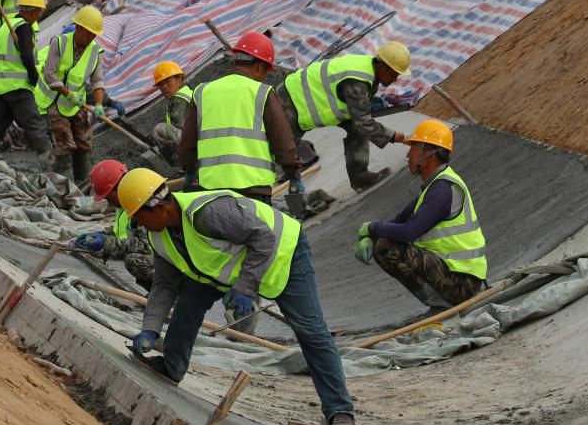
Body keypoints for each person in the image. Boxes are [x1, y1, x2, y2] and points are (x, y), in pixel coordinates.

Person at [118, 167, 356, 425]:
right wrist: (150, 327)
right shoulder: (159, 236)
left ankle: (340, 411)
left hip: (284, 253)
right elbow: (164, 284)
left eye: (139, 218)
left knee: (311, 331)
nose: (141, 226)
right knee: (189, 303)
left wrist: (245, 287)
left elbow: (263, 237)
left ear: (158, 207)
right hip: (228, 269)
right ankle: (171, 367)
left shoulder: (207, 212)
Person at [354, 119, 487, 310]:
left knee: (386, 247)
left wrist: (371, 227)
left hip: (464, 282)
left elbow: (409, 231)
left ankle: (442, 306)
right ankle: (442, 303)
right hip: (456, 274)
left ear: (428, 151)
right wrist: (369, 235)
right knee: (383, 239)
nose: (408, 155)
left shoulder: (443, 189)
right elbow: (398, 220)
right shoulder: (434, 186)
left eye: (413, 148)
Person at [178, 31, 301, 204]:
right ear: (258, 66)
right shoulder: (262, 92)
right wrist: (294, 175)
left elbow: (187, 146)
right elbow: (284, 144)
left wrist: (190, 173)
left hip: (212, 194)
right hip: (254, 190)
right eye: (266, 70)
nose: (265, 76)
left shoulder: (201, 92)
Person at [278, 41, 414, 191]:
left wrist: (366, 103)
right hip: (290, 101)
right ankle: (286, 201)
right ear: (383, 66)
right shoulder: (358, 81)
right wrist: (399, 137)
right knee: (284, 153)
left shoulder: (367, 68)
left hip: (304, 99)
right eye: (394, 74)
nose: (395, 79)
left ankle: (360, 178)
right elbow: (364, 123)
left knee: (356, 128)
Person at [0, 0, 51, 173]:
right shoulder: (23, 27)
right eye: (39, 11)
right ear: (33, 10)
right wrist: (33, 76)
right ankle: (51, 168)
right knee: (36, 127)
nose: (39, 15)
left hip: (0, 89)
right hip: (17, 88)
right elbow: (26, 54)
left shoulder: (5, 28)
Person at [35, 5, 107, 183]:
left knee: (84, 143)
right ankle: (65, 187)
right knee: (65, 145)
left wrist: (98, 104)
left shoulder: (95, 52)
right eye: (89, 33)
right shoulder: (58, 44)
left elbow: (97, 81)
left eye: (94, 34)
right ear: (79, 28)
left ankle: (84, 184)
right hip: (55, 101)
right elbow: (49, 74)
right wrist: (68, 94)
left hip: (76, 105)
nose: (91, 38)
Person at [69, 159, 155, 289]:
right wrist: (100, 234)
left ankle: (166, 292)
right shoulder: (125, 204)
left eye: (108, 197)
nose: (109, 203)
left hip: (169, 261)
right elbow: (124, 230)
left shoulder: (143, 203)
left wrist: (106, 242)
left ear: (119, 188)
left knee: (135, 260)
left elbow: (145, 246)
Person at [151, 60, 192, 161]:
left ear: (180, 79)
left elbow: (180, 126)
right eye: (161, 84)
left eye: (168, 81)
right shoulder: (187, 92)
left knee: (159, 129)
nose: (164, 87)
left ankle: (177, 159)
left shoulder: (179, 99)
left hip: (195, 140)